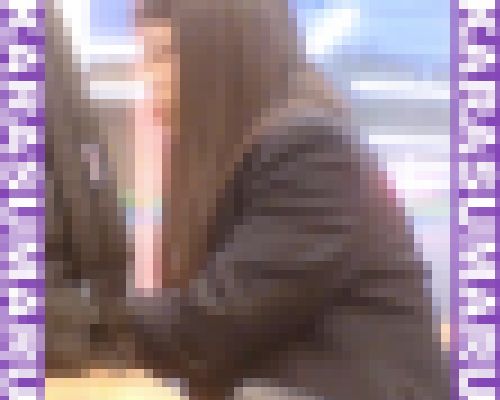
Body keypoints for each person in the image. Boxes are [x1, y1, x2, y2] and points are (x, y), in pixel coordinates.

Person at [46, 1, 449, 399]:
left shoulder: (309, 151)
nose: (148, 81)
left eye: (163, 56)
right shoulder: (261, 153)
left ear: (225, 53)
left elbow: (211, 325)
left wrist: (73, 322)